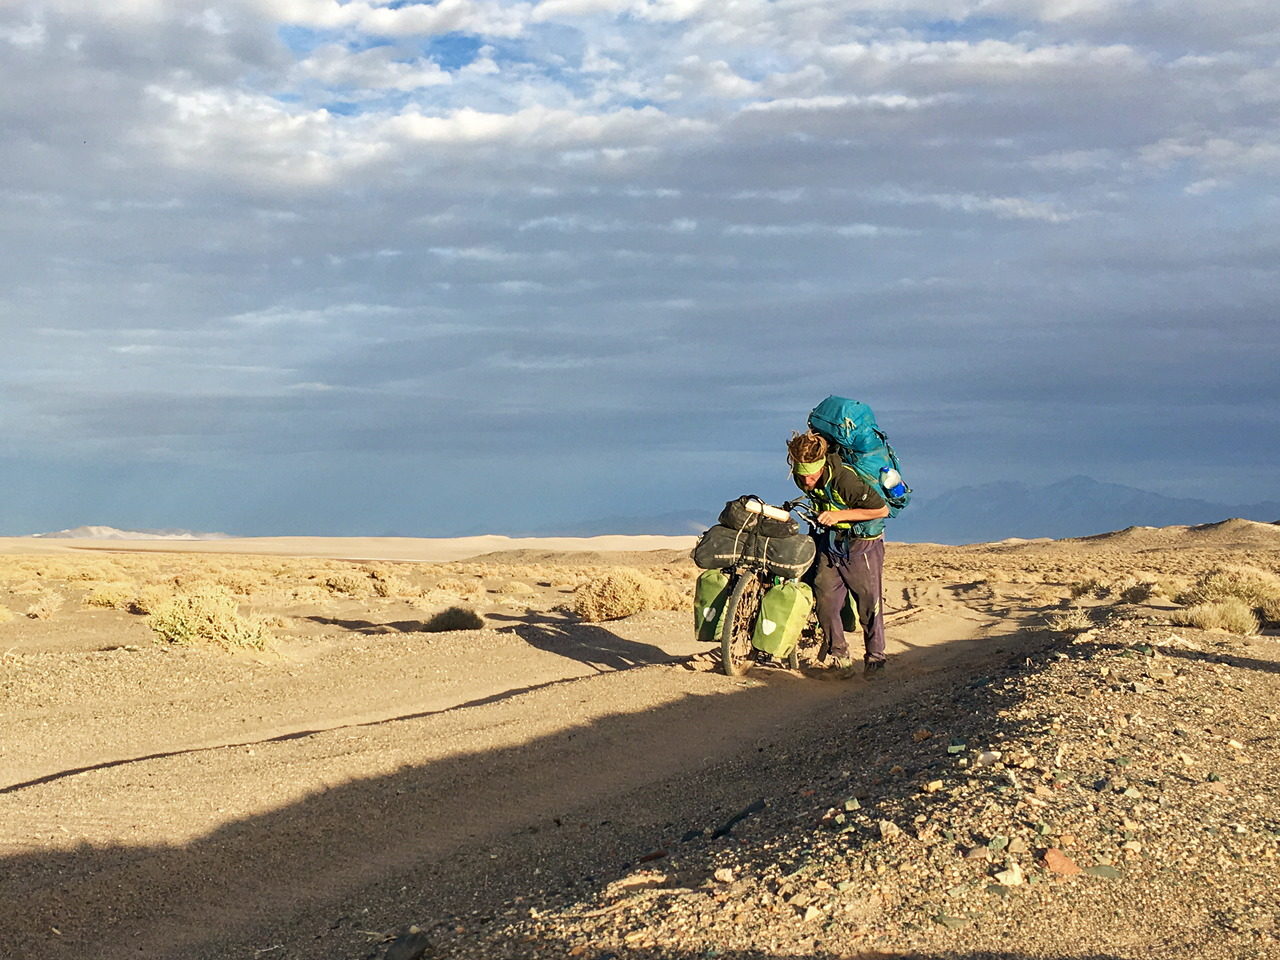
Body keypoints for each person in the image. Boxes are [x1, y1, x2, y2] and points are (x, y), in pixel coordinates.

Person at [787, 430, 890, 679]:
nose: (806, 482)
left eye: (810, 477)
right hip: (830, 541)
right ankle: (840, 658)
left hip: (861, 544)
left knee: (868, 603)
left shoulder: (845, 480)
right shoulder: (803, 478)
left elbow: (881, 510)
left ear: (821, 467)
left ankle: (876, 659)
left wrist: (839, 516)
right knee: (825, 601)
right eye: (801, 477)